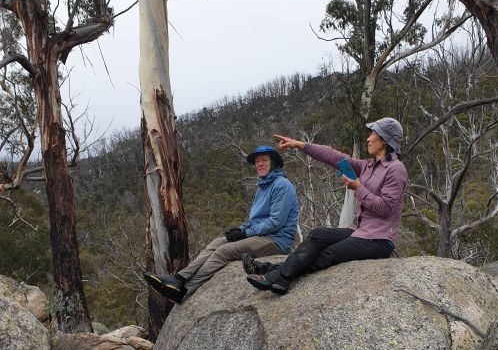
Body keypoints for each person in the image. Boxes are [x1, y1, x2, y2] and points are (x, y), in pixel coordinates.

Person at [245, 117, 408, 295]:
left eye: (373, 134)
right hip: (360, 231)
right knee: (317, 235)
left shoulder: (396, 169)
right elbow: (332, 155)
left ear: (384, 140)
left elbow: (385, 208)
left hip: (379, 240)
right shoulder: (368, 166)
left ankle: (276, 275)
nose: (368, 138)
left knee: (328, 252)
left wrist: (358, 188)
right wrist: (300, 144)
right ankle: (275, 274)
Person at [144, 145, 298, 303]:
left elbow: (276, 222)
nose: (259, 164)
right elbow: (255, 220)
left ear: (274, 164)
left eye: (264, 160)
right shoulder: (262, 188)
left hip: (276, 240)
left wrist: (245, 233)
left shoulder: (282, 186)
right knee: (217, 242)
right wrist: (240, 229)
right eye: (257, 161)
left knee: (224, 251)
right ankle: (178, 278)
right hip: (260, 234)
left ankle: (185, 289)